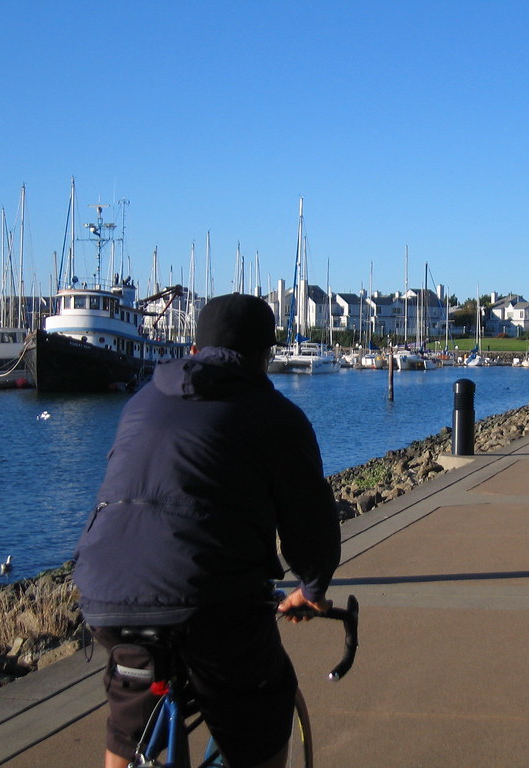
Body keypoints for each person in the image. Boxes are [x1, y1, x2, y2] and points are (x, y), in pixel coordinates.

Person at [73, 294, 341, 768]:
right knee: (262, 707)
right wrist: (313, 588)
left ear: (194, 350)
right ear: (264, 355)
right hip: (211, 600)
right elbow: (310, 522)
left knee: (129, 714)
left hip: (105, 591)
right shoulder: (275, 414)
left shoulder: (141, 402)